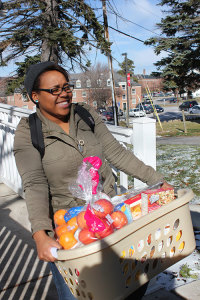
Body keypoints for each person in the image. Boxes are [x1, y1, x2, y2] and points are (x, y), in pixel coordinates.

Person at [14, 61, 172, 300]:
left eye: (66, 87)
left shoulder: (85, 115)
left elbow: (117, 153)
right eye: (54, 89)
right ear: (34, 96)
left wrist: (158, 180)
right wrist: (40, 234)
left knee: (132, 283)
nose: (64, 94)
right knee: (80, 295)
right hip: (71, 228)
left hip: (110, 216)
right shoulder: (29, 131)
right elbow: (34, 182)